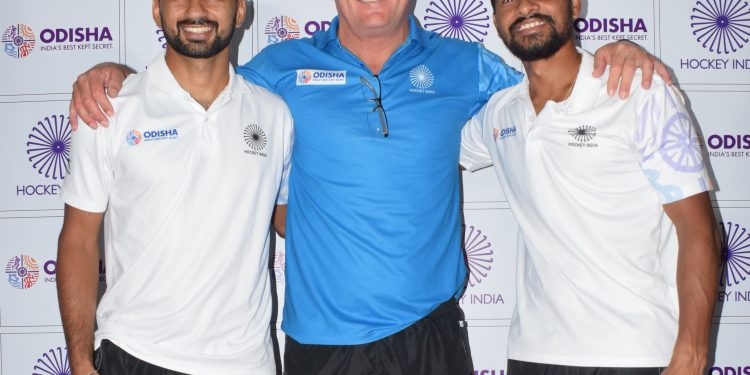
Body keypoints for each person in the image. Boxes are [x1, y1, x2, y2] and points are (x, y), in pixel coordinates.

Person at [68, 1, 672, 373]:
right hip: (321, 344)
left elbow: (548, 76)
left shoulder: (468, 66)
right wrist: (117, 77)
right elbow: (193, 80)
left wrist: (614, 56)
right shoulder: (278, 70)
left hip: (431, 335)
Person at [460, 0, 720, 374]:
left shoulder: (639, 92)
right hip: (532, 355)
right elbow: (425, 156)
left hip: (636, 355)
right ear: (497, 20)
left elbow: (698, 229)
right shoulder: (499, 113)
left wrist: (692, 352)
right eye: (507, 0)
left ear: (575, 5)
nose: (524, 6)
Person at [56, 0, 293, 374]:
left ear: (241, 11)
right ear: (156, 10)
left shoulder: (275, 115)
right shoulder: (108, 110)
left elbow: (290, 219)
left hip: (246, 362)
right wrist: (82, 362)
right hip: (134, 354)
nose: (195, 9)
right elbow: (79, 240)